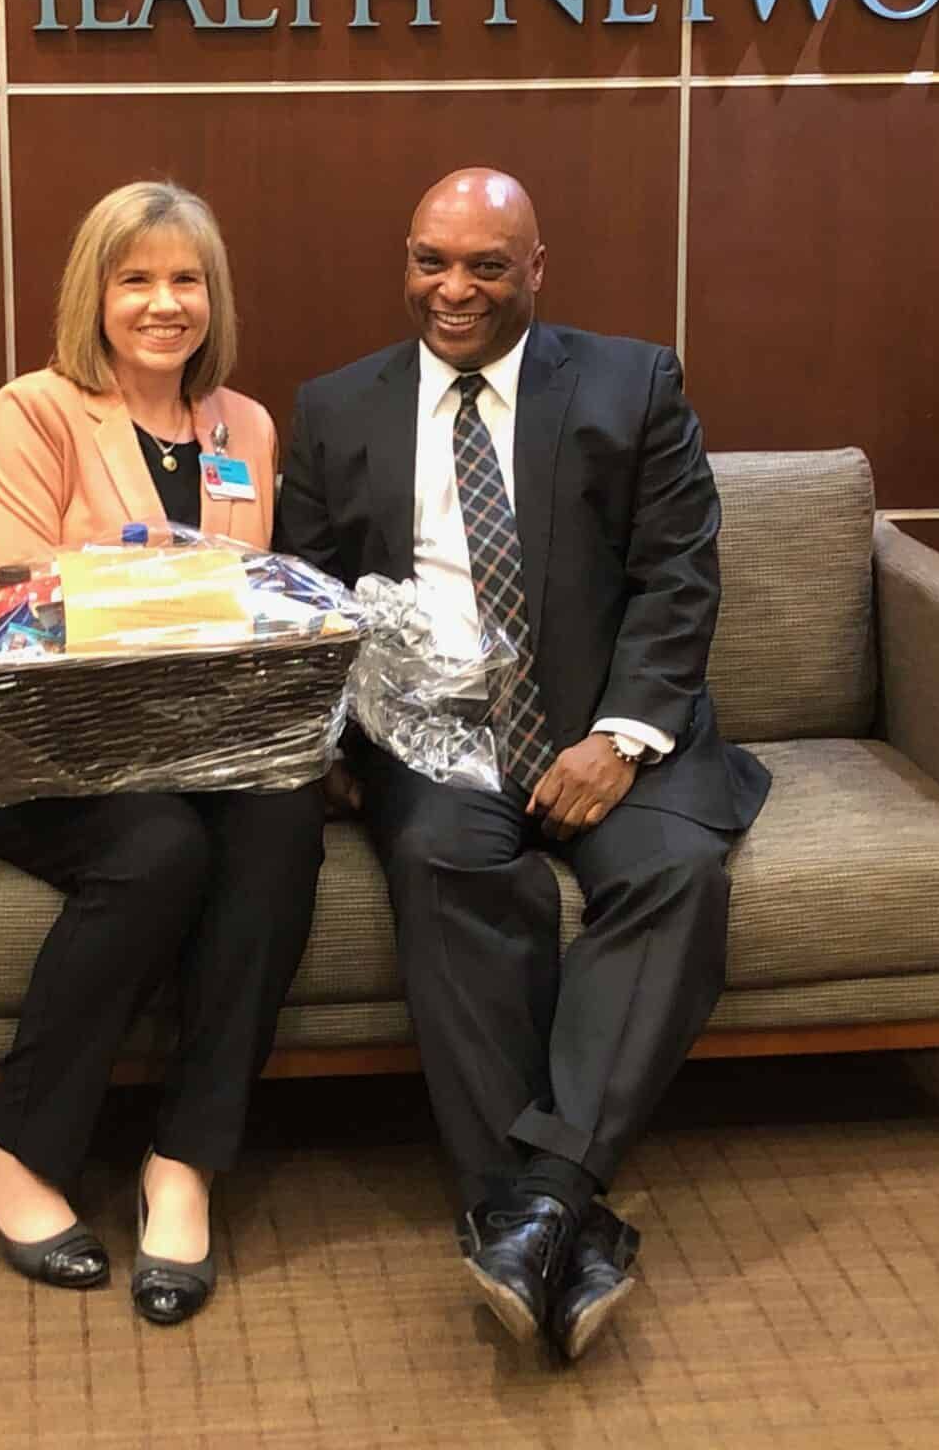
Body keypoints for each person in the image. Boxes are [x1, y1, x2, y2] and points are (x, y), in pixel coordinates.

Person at [276, 168, 769, 1362]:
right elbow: (308, 597)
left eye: (486, 266)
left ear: (535, 271)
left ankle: (528, 1203)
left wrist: (619, 738)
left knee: (674, 881)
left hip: (603, 731)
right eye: (430, 260)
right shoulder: (338, 407)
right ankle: (564, 1214)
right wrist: (339, 743)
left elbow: (678, 575)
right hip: (434, 742)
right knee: (449, 871)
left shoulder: (629, 383)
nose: (454, 289)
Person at [0, 180, 327, 1327]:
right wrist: (162, 577)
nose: (164, 303)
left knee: (283, 819)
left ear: (214, 296)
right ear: (94, 296)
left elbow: (253, 602)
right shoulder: (36, 409)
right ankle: (12, 1147)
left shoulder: (243, 425)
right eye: (136, 279)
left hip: (196, 742)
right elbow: (16, 604)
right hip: (26, 747)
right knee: (157, 855)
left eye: (185, 279)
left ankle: (183, 1165)